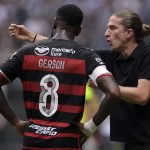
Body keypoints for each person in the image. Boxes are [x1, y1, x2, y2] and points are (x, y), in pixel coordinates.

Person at [9, 10, 150, 150]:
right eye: (107, 28)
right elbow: (71, 50)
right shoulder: (114, 57)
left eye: (113, 28)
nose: (106, 33)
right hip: (129, 138)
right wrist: (31, 37)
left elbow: (142, 95)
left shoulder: (147, 55)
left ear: (129, 33)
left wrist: (106, 87)